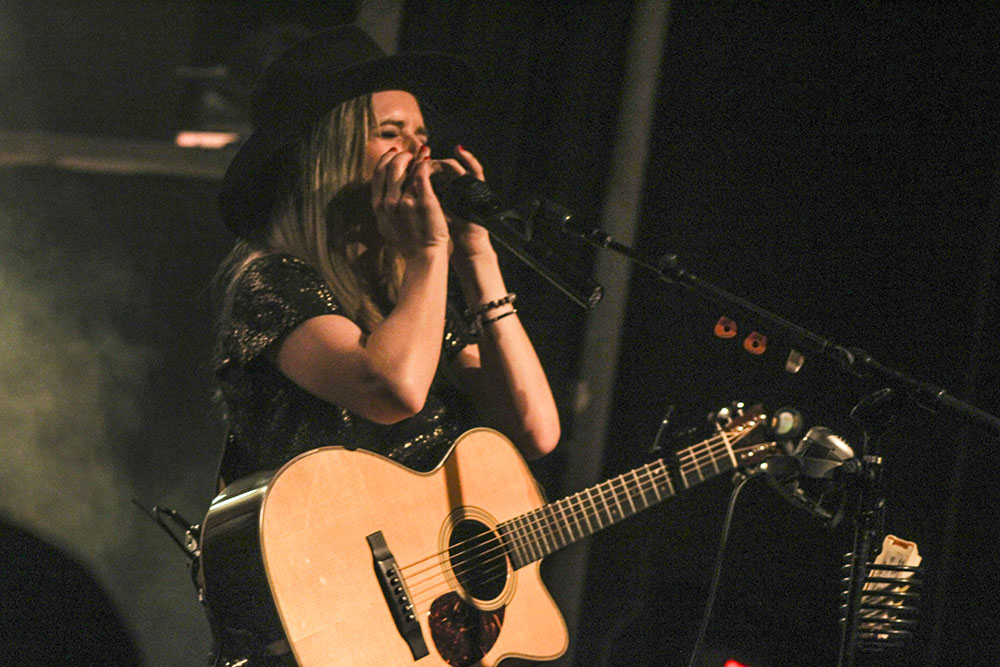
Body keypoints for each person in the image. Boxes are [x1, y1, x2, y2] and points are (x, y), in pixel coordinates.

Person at [212, 24, 560, 493]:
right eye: (392, 133)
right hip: (326, 553)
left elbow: (534, 429)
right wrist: (431, 253)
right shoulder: (273, 282)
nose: (420, 153)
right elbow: (392, 390)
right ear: (329, 154)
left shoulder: (403, 292)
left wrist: (478, 259)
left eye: (422, 135)